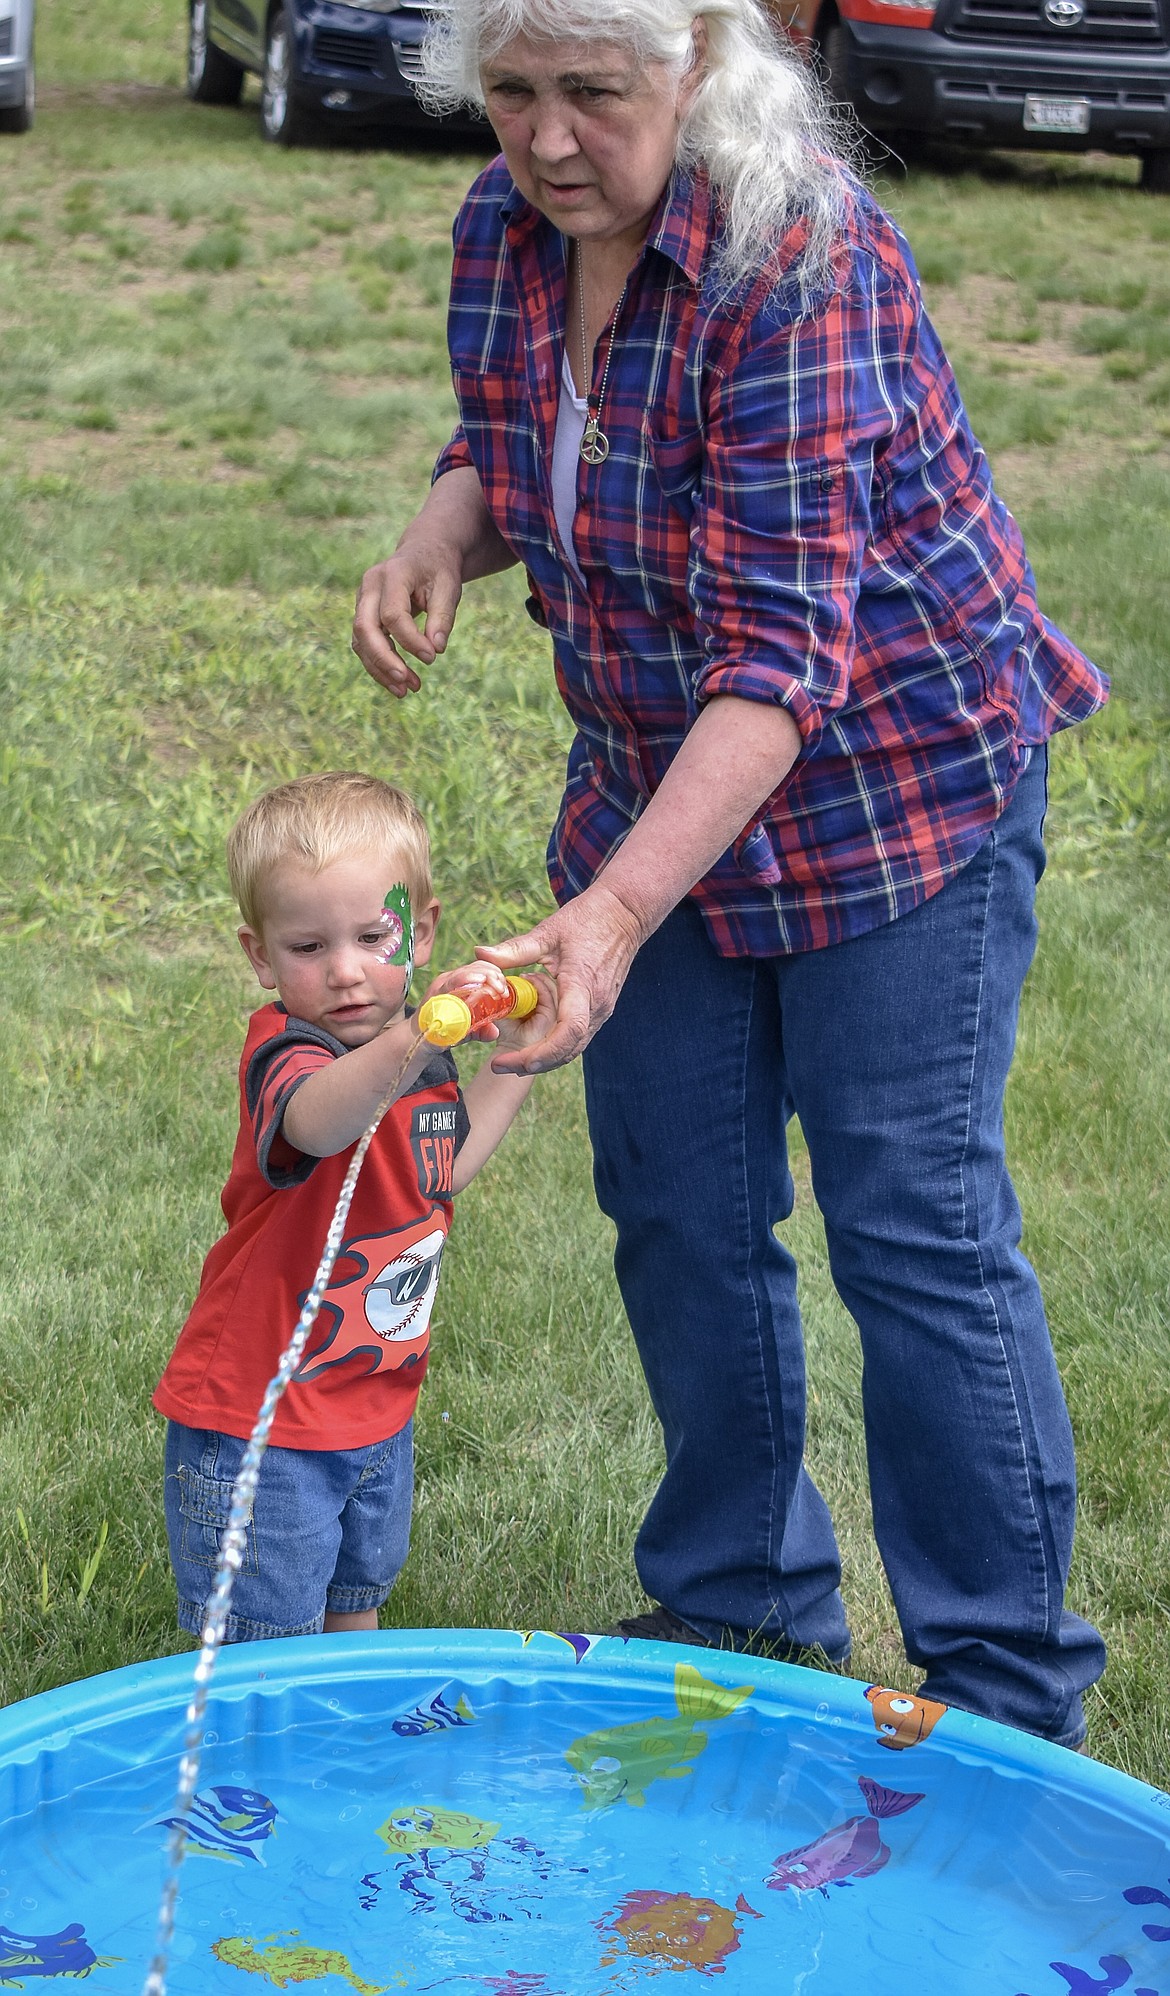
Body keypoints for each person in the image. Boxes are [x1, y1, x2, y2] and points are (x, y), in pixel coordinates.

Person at [350, 0, 1110, 1746]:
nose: (546, 141)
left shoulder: (804, 255)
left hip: (892, 789)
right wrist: (443, 528)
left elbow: (782, 656)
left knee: (912, 1223)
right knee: (681, 1206)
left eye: (593, 96)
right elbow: (530, 424)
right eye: (513, 93)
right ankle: (747, 1602)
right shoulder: (506, 230)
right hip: (654, 775)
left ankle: (1000, 1681)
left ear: (705, 65)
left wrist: (611, 915)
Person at [154, 772, 552, 1642]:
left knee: (354, 1608)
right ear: (261, 956)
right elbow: (320, 1122)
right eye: (307, 947)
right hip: (263, 1419)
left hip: (375, 1404)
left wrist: (510, 1061)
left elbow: (439, 1170)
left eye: (375, 937)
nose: (346, 972)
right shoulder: (289, 1051)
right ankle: (261, 1770)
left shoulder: (420, 1051)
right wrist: (422, 1033)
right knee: (269, 1641)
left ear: (423, 927)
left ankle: (351, 1769)